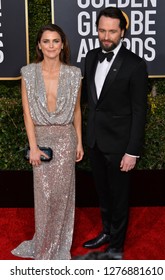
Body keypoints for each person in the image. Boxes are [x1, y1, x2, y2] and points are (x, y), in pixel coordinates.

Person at [11, 24, 84, 260]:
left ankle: (59, 245)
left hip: (65, 139)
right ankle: (43, 244)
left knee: (62, 196)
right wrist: (32, 146)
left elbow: (76, 111)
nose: (51, 46)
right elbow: (27, 113)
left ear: (62, 45)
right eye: (46, 41)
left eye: (55, 41)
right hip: (41, 140)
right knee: (43, 197)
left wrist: (79, 143)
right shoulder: (28, 73)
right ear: (39, 46)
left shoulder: (74, 74)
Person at [82, 7, 148, 260]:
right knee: (103, 192)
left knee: (119, 198)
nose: (106, 36)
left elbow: (139, 112)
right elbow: (91, 101)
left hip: (121, 146)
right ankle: (107, 232)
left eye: (112, 31)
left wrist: (132, 151)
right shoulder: (90, 57)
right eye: (102, 30)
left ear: (122, 32)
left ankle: (116, 246)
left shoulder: (135, 64)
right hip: (96, 141)